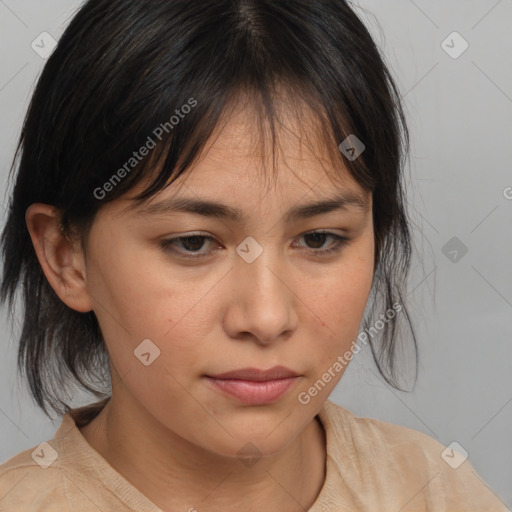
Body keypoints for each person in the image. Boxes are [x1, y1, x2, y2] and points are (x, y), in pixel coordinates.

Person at [0, 1, 507, 511]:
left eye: (319, 239)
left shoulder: (438, 492)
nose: (267, 318)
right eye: (193, 243)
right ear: (67, 256)